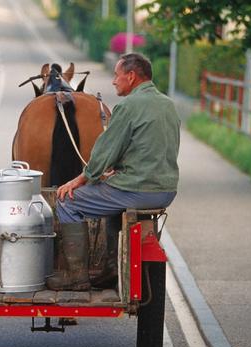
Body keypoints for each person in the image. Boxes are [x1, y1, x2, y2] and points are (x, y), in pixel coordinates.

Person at [46, 53, 181, 291]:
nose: (113, 81)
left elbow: (105, 151)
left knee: (68, 202)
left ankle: (76, 277)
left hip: (138, 190)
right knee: (109, 198)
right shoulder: (168, 104)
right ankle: (111, 268)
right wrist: (118, 171)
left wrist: (80, 180)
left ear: (131, 76)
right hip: (166, 190)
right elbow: (149, 147)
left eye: (117, 76)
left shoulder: (128, 106)